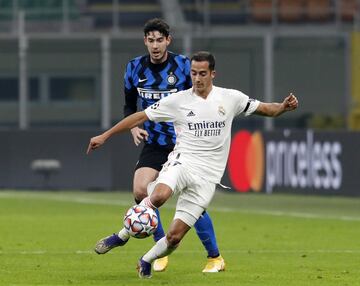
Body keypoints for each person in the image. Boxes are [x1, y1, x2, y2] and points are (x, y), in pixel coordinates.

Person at [87, 51, 298, 279]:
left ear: (213, 74)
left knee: (175, 237)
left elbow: (267, 109)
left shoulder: (230, 98)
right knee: (158, 196)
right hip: (182, 162)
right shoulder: (178, 101)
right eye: (194, 73)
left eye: (202, 74)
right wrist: (105, 135)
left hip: (207, 177)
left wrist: (284, 107)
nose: (197, 78)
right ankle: (122, 235)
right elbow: (139, 117)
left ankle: (146, 259)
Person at [94, 18, 225, 273]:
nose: (155, 45)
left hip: (185, 145)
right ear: (145, 41)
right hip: (154, 142)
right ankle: (159, 248)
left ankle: (214, 256)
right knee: (141, 191)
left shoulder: (184, 66)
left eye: (159, 40)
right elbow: (129, 105)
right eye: (150, 40)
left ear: (168, 40)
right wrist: (133, 126)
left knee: (191, 205)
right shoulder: (134, 68)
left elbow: (201, 97)